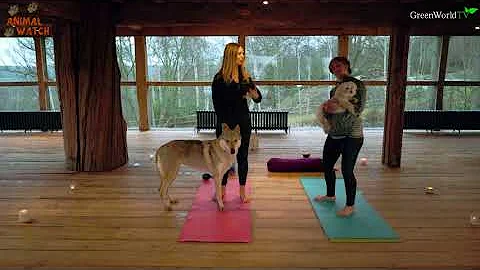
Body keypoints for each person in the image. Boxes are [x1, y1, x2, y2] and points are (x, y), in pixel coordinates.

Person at [315, 56, 367, 217]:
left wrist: (336, 112)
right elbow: (331, 112)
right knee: (327, 164)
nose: (336, 69)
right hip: (335, 133)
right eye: (333, 67)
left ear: (347, 66)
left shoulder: (357, 85)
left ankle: (350, 205)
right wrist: (326, 112)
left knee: (346, 169)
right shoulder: (334, 89)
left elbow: (357, 109)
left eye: (339, 65)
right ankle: (330, 195)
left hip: (352, 134)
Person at [211, 42, 262, 203]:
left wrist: (252, 93)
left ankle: (242, 192)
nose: (242, 56)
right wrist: (240, 92)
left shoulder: (245, 77)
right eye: (239, 54)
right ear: (231, 56)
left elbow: (258, 97)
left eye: (243, 53)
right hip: (225, 124)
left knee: (243, 156)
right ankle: (222, 191)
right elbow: (218, 105)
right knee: (223, 159)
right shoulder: (219, 79)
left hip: (243, 122)